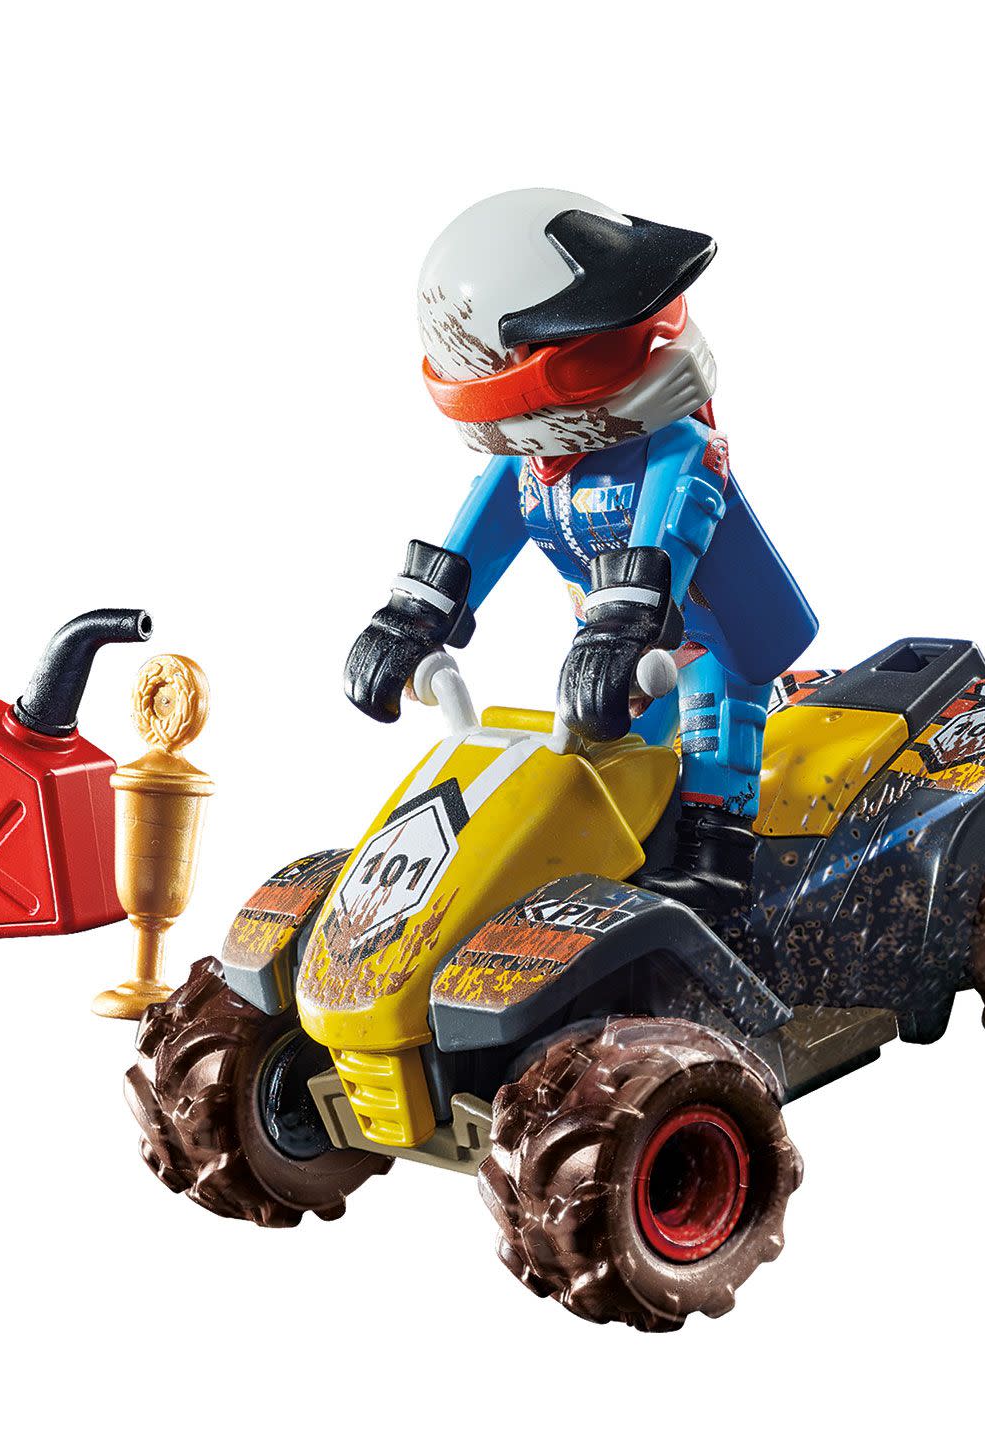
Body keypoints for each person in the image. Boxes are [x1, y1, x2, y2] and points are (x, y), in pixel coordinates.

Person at [345, 189, 817, 918]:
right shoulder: (525, 469)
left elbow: (669, 541)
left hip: (710, 637)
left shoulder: (681, 452)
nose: (664, 353)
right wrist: (411, 620)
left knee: (714, 728)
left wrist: (621, 628)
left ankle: (719, 866)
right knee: (598, 762)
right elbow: (467, 550)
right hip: (620, 650)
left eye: (662, 321)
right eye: (606, 350)